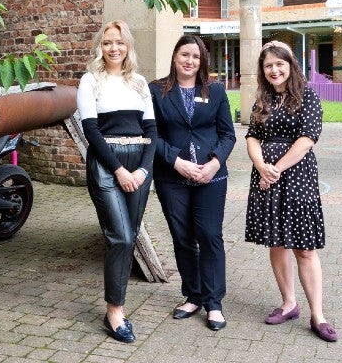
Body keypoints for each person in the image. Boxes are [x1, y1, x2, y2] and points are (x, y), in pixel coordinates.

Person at [244, 41, 338, 343]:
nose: (274, 70)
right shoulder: (263, 99)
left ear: (290, 65)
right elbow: (252, 136)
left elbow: (307, 139)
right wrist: (261, 165)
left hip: (296, 176)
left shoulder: (307, 96)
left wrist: (275, 168)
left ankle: (318, 315)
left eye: (279, 64)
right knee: (277, 243)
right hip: (266, 177)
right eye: (268, 65)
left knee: (305, 248)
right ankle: (289, 304)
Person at [76, 20, 156, 344]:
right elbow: (91, 132)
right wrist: (119, 170)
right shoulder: (89, 81)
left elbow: (152, 131)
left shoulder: (139, 83)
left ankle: (118, 305)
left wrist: (143, 171)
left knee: (130, 235)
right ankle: (114, 311)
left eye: (120, 42)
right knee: (120, 237)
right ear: (100, 46)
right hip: (107, 165)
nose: (114, 48)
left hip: (139, 165)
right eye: (108, 42)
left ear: (128, 47)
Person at [148, 35, 236, 331]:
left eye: (195, 57)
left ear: (202, 62)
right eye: (184, 55)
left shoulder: (216, 91)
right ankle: (193, 295)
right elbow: (152, 134)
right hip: (172, 176)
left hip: (211, 176)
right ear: (175, 57)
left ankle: (214, 303)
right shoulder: (157, 91)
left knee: (210, 235)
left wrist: (214, 164)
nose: (189, 61)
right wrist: (176, 161)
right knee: (183, 237)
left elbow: (228, 135)